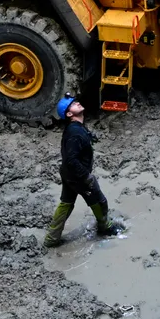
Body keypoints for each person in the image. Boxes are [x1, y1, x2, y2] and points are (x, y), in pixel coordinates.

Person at [44, 95, 123, 247]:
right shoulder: (75, 133)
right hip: (77, 176)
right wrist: (86, 176)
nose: (77, 103)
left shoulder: (76, 127)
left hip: (68, 174)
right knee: (99, 201)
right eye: (73, 104)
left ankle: (51, 239)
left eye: (76, 101)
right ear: (69, 114)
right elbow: (71, 159)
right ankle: (105, 227)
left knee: (66, 203)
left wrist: (90, 137)